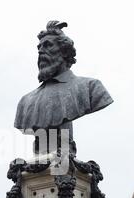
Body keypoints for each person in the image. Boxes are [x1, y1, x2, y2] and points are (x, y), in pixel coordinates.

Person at [14, 20, 113, 154]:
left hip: (65, 161)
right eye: (39, 47)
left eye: (48, 46)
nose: (41, 51)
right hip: (42, 164)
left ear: (65, 52)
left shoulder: (90, 87)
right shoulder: (25, 102)